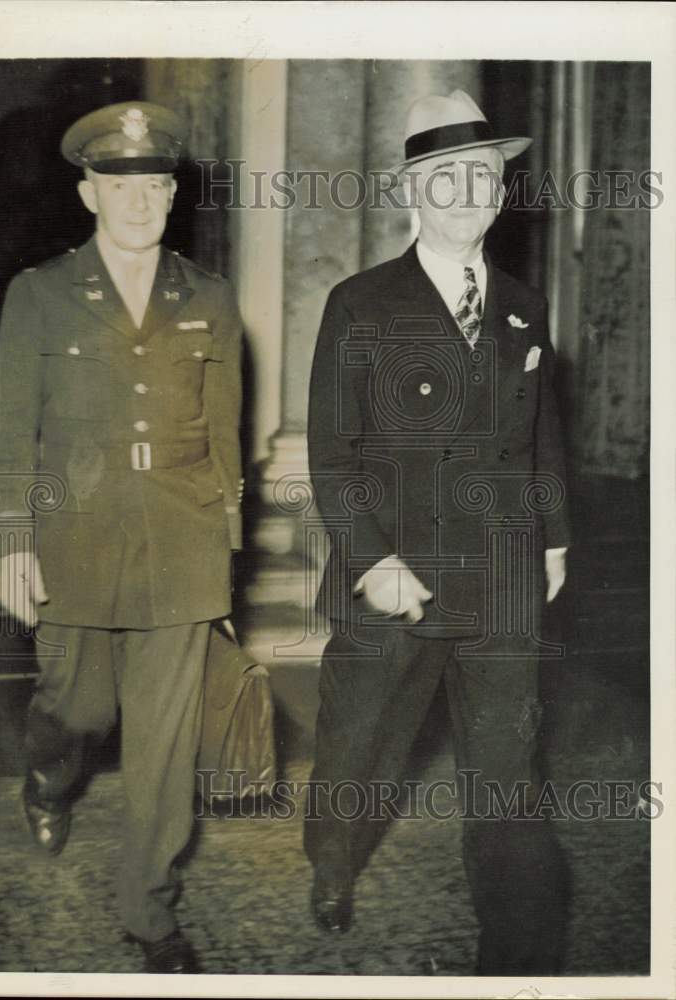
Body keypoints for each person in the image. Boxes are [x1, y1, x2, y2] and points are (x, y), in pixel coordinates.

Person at [304, 90, 571, 975]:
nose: (467, 192)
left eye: (483, 177)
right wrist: (370, 558)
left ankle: (517, 958)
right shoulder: (362, 303)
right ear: (414, 193)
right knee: (359, 751)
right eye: (446, 177)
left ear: (500, 194)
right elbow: (332, 455)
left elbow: (542, 436)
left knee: (508, 773)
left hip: (501, 578)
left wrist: (556, 538)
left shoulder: (526, 307)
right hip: (394, 576)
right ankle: (332, 865)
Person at [0, 101, 243, 973]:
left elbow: (225, 429)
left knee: (165, 744)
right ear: (89, 192)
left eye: (156, 187)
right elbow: (9, 427)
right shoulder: (40, 293)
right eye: (119, 185)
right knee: (82, 707)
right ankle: (52, 770)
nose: (140, 202)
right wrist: (12, 538)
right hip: (76, 534)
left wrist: (227, 544)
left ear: (172, 196)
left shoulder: (208, 297)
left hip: (182, 537)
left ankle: (151, 912)